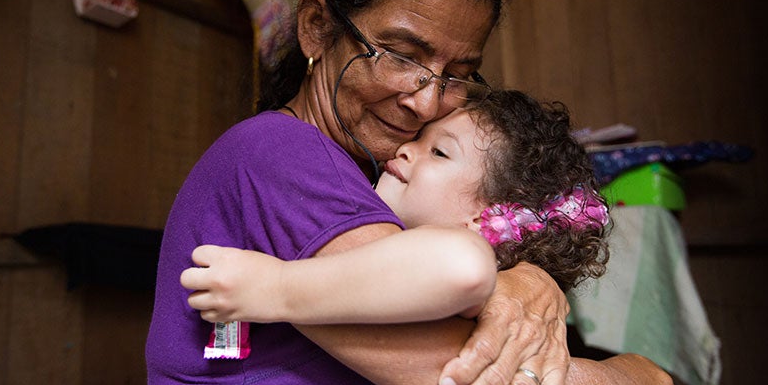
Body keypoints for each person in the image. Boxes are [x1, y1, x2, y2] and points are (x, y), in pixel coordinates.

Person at [147, 0, 693, 385]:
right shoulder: (282, 157)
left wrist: (530, 279)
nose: (427, 102)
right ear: (317, 28)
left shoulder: (374, 182)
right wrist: (646, 379)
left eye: (458, 73)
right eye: (402, 55)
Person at [184, 89, 612, 329]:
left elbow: (464, 265)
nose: (407, 149)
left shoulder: (469, 284)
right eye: (419, 139)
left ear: (486, 221)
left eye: (440, 153)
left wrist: (276, 288)